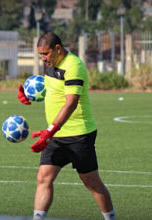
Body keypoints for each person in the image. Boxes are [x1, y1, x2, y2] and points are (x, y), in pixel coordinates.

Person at [17, 32, 116, 220]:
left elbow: (71, 103)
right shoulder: (50, 65)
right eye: (40, 55)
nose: (43, 59)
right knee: (44, 178)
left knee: (91, 182)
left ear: (58, 49)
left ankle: (110, 218)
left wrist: (50, 131)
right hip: (54, 134)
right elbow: (52, 90)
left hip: (79, 133)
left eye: (45, 54)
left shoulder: (74, 66)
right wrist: (29, 96)